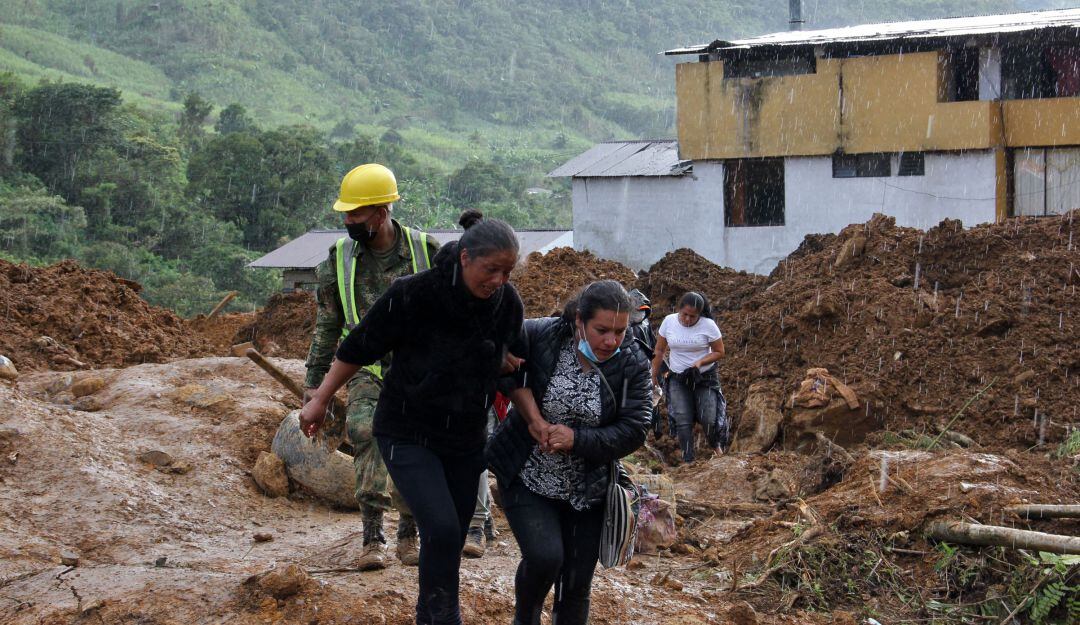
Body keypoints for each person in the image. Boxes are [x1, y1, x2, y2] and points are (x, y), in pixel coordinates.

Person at [300, 209, 524, 625]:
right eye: (491, 270)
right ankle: (442, 618)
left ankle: (433, 613)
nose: (499, 280)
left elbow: (513, 353)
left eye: (507, 271)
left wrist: (504, 361)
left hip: (464, 437)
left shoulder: (505, 302)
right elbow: (356, 347)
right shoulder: (413, 294)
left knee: (452, 535)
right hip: (407, 429)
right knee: (439, 527)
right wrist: (319, 398)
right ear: (464, 258)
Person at [487, 280, 651, 625]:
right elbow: (500, 363)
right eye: (601, 330)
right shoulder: (543, 335)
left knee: (576, 583)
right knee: (545, 558)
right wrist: (532, 418)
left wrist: (576, 439)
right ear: (579, 320)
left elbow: (635, 428)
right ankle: (525, 617)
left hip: (588, 488)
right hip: (528, 474)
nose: (611, 341)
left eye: (620, 331)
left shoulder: (632, 361)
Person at [304, 163, 439, 570]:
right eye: (345, 214)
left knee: (416, 445)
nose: (348, 221)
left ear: (381, 212)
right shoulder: (339, 258)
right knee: (365, 431)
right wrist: (314, 387)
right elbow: (327, 323)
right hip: (365, 368)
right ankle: (372, 536)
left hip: (418, 370)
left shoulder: (425, 250)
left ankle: (408, 533)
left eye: (356, 213)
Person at [651, 292, 726, 462]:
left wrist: (700, 362)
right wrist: (653, 375)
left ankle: (718, 450)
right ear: (679, 309)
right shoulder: (669, 322)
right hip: (678, 377)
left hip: (704, 377)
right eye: (684, 314)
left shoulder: (709, 325)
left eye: (693, 316)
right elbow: (659, 350)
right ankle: (688, 460)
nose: (687, 319)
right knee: (682, 419)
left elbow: (719, 351)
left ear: (700, 314)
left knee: (708, 418)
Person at [627, 288, 665, 438]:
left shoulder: (643, 323)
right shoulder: (626, 325)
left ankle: (652, 430)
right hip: (636, 366)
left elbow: (654, 345)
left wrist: (660, 368)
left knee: (648, 399)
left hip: (645, 366)